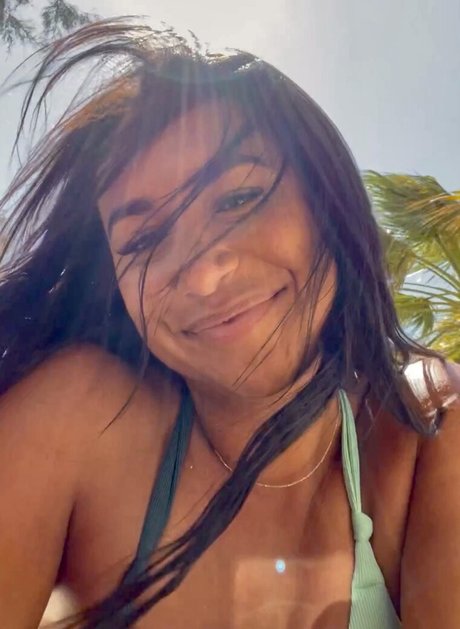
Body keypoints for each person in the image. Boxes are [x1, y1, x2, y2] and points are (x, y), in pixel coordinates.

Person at [0, 17, 458, 629]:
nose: (202, 275)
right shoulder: (78, 420)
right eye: (143, 240)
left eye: (240, 198)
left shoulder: (424, 430)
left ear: (326, 203)